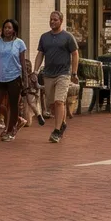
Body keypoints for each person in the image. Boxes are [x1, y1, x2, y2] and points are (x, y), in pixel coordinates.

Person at [36, 11, 80, 144]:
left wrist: (74, 73)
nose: (52, 22)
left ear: (61, 21)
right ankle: (62, 123)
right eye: (50, 19)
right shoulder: (44, 37)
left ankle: (56, 131)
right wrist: (35, 70)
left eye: (55, 20)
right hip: (48, 74)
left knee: (59, 101)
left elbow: (75, 54)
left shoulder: (67, 37)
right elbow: (40, 54)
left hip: (63, 74)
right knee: (52, 105)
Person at [0, 19, 30, 143]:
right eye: (5, 27)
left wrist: (25, 81)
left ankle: (10, 130)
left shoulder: (19, 43)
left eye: (10, 28)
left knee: (13, 105)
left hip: (15, 77)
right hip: (0, 77)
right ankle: (17, 120)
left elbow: (23, 63)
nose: (7, 30)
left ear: (14, 30)